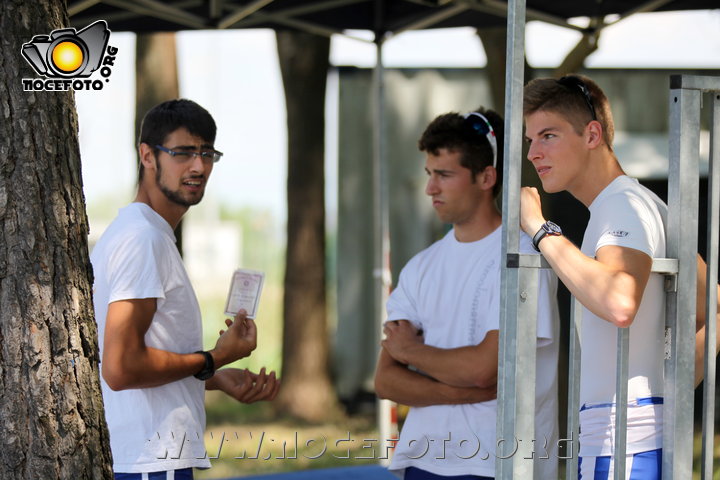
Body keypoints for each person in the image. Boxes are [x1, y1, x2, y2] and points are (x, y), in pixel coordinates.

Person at [91, 99, 280, 479]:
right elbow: (121, 368)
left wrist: (217, 378)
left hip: (149, 455)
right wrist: (213, 358)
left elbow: (148, 356)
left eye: (206, 153)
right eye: (182, 153)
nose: (198, 166)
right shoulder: (142, 239)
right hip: (148, 459)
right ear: (147, 156)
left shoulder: (144, 233)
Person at [374, 107, 559, 479]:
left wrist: (411, 352)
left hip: (500, 461)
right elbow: (386, 381)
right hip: (422, 459)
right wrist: (461, 391)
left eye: (444, 175)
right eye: (429, 174)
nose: (430, 188)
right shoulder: (421, 266)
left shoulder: (524, 256)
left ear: (487, 176)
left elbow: (481, 369)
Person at [520, 74, 666, 479]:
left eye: (547, 135)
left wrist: (539, 228)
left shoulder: (622, 205)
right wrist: (670, 398)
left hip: (624, 448)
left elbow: (620, 302)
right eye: (530, 140)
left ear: (591, 135)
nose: (533, 153)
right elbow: (710, 304)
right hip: (624, 441)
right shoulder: (637, 202)